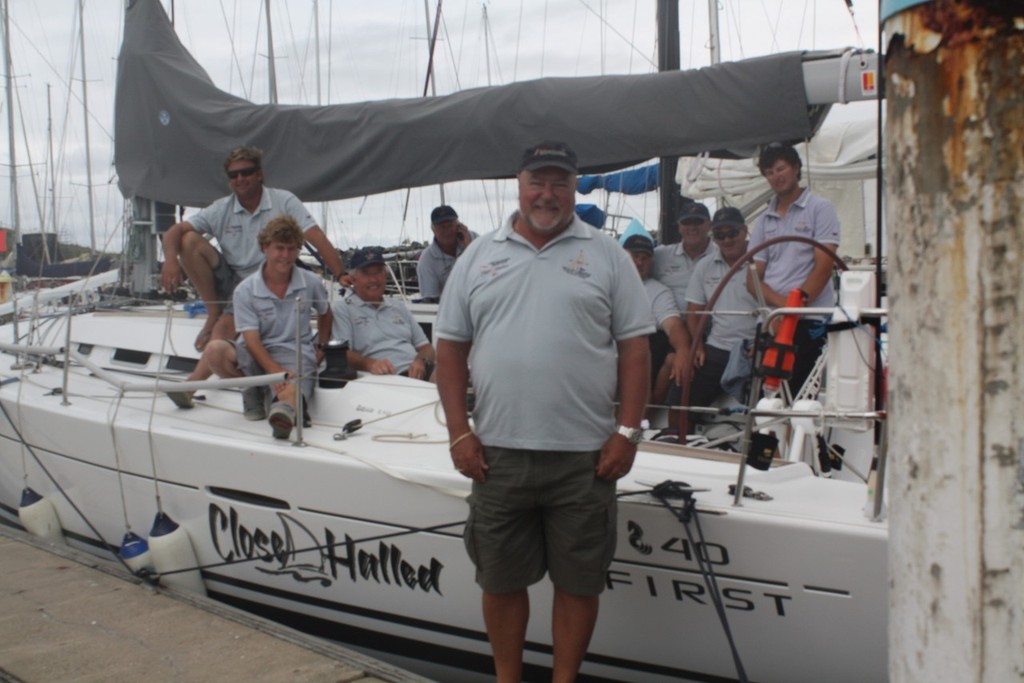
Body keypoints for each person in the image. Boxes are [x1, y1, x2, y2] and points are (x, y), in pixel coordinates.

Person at [434, 141, 653, 683]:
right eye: (538, 181)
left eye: (560, 182)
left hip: (585, 458)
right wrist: (460, 433)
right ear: (519, 182)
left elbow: (636, 348)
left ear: (575, 186)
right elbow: (449, 349)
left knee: (579, 583)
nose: (548, 194)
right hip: (497, 454)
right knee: (500, 581)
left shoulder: (606, 256)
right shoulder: (479, 255)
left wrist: (626, 432)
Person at [159, 146, 345, 352]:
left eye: (246, 172)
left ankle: (224, 348)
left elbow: (316, 236)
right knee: (188, 240)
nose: (240, 178)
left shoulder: (283, 201)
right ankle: (214, 313)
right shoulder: (221, 208)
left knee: (220, 343)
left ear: (259, 174)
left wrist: (341, 274)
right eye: (234, 175)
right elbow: (175, 230)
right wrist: (170, 260)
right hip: (234, 280)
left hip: (273, 279)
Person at [167, 215, 333, 439]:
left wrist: (321, 347)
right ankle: (253, 390)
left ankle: (283, 412)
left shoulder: (310, 282)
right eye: (279, 248)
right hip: (255, 352)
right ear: (265, 247)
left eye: (292, 249)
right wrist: (274, 371)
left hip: (294, 352)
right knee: (215, 351)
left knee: (292, 385)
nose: (285, 256)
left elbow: (325, 313)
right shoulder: (245, 290)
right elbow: (252, 340)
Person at [747, 141, 840, 395]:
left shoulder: (820, 209)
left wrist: (787, 314)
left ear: (796, 168)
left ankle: (793, 436)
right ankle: (767, 437)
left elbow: (822, 270)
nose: (776, 176)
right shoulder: (764, 221)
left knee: (799, 396)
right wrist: (780, 314)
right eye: (769, 172)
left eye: (780, 168)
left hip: (808, 321)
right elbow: (752, 280)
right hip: (772, 322)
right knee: (764, 400)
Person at [684, 207, 760, 426]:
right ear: (713, 237)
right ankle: (678, 445)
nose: (727, 239)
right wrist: (697, 346)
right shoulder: (704, 266)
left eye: (732, 233)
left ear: (745, 231)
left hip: (754, 347)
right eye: (720, 235)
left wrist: (766, 342)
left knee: (769, 407)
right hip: (717, 348)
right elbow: (694, 311)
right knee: (681, 398)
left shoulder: (763, 262)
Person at [333, 246, 435, 380]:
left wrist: (420, 361)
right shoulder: (343, 309)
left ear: (385, 275)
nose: (373, 279)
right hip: (382, 378)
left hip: (416, 373)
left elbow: (426, 348)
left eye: (378, 272)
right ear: (353, 279)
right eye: (366, 273)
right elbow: (343, 354)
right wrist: (369, 364)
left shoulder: (398, 306)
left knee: (449, 373)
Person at [620, 231, 692, 406]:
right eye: (635, 256)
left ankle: (638, 423)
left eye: (645, 257)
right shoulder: (603, 283)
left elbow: (674, 325)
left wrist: (683, 352)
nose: (640, 262)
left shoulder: (658, 291)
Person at [652, 201, 717, 313]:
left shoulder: (722, 256)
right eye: (686, 222)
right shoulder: (660, 255)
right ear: (679, 227)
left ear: (710, 225)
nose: (692, 227)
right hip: (666, 325)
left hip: (711, 327)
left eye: (698, 221)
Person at [415, 205, 478, 303]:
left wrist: (469, 249)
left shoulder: (474, 239)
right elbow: (431, 300)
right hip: (451, 309)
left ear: (459, 226)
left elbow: (488, 273)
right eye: (442, 227)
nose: (447, 231)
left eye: (450, 225)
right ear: (433, 230)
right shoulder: (427, 261)